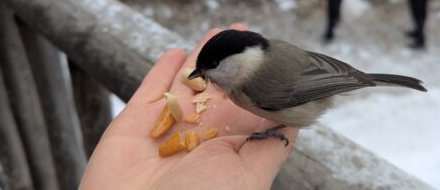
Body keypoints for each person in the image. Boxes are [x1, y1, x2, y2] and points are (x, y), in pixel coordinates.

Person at [79, 23, 298, 190]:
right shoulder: (259, 65)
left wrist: (272, 131)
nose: (202, 74)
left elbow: (303, 99)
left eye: (211, 67)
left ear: (239, 62)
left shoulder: (254, 86)